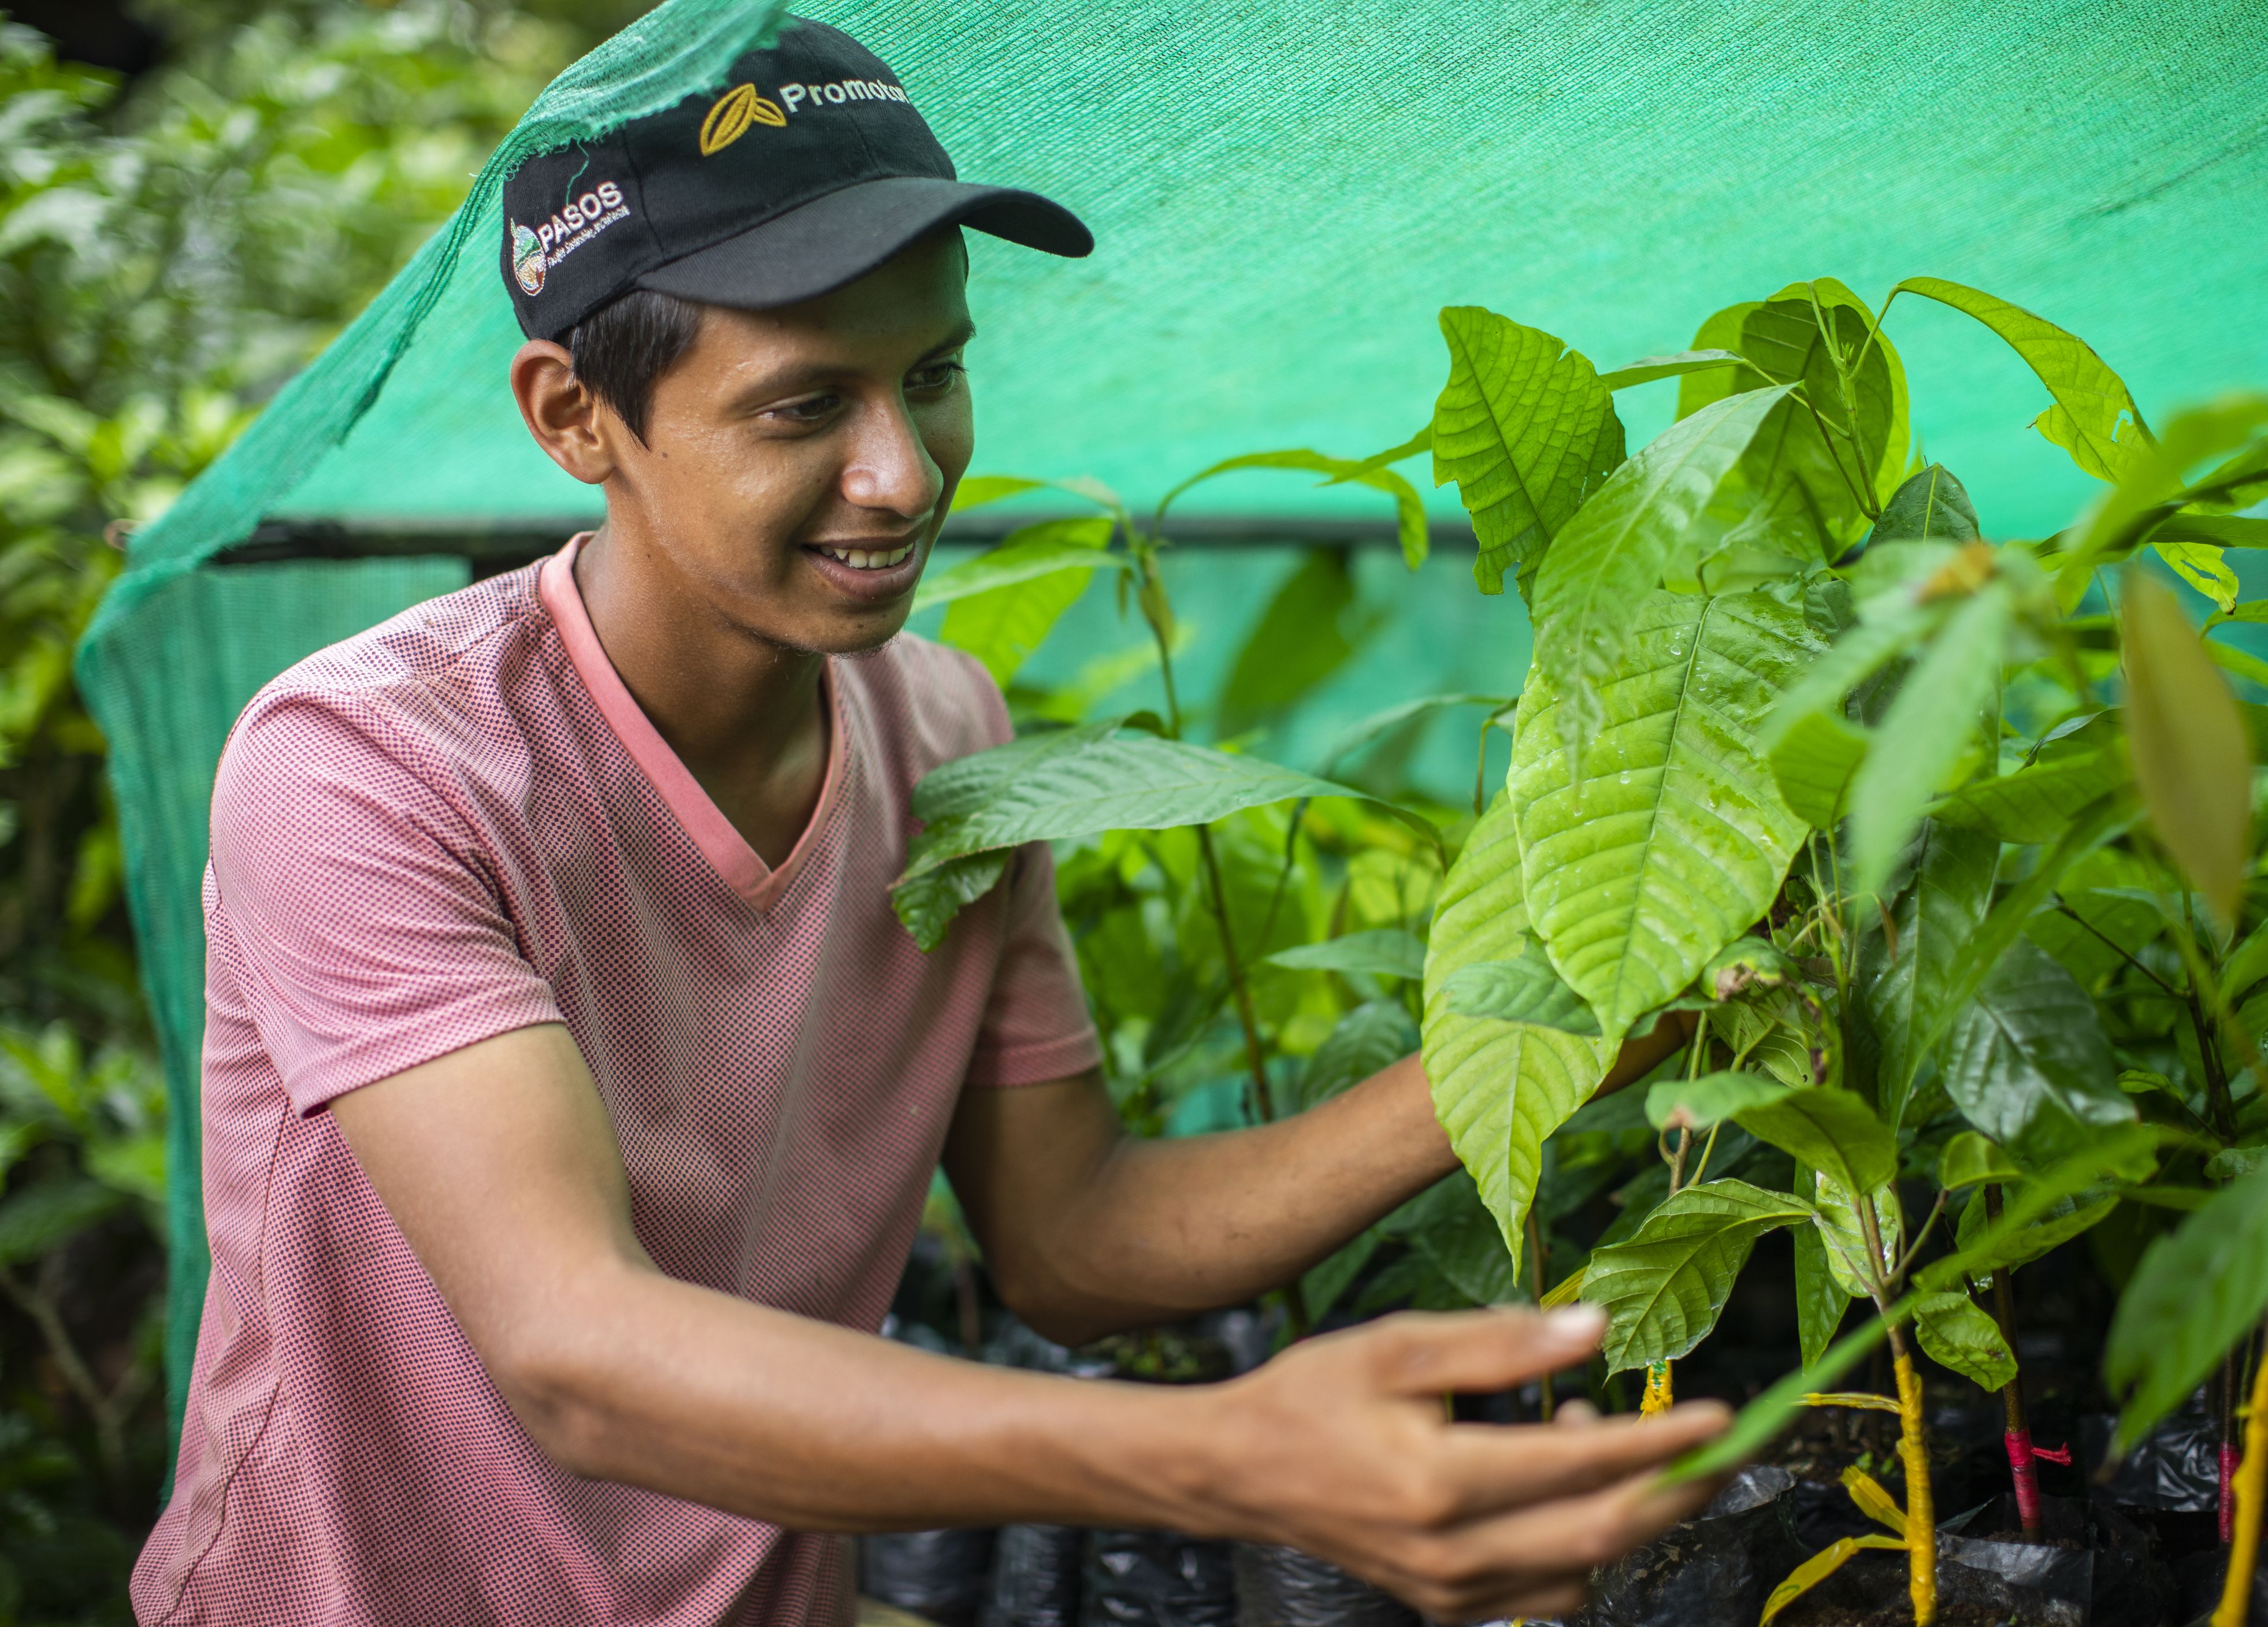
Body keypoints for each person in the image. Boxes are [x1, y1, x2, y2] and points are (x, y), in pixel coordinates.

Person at [130, 17, 1727, 1626]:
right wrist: (1227, 1454)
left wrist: (1565, 1032)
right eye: (804, 404)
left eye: (935, 375)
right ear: (573, 417)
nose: (904, 474)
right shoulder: (368, 769)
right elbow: (579, 1354)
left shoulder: (942, 726)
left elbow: (1076, 1239)